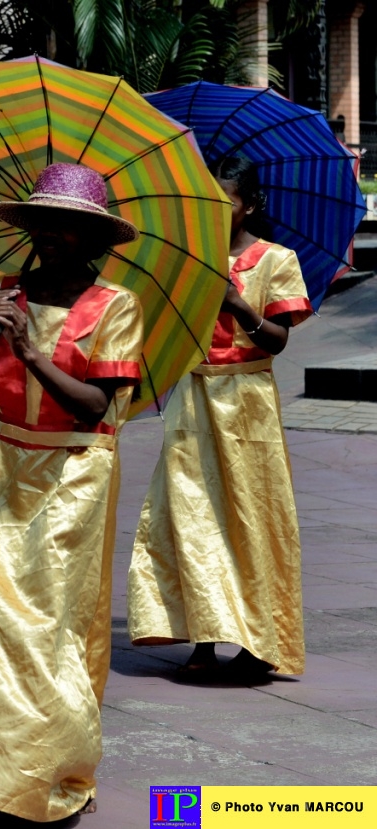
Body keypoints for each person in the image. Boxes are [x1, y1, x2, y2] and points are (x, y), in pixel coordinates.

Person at [0, 163, 143, 827]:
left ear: (92, 238)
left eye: (70, 226)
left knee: (48, 630)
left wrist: (28, 354)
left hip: (74, 474)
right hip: (4, 469)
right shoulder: (0, 294)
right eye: (45, 223)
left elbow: (94, 404)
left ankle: (48, 778)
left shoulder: (116, 307)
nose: (53, 235)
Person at [127, 157, 311, 680]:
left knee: (252, 517)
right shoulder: (189, 259)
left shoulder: (276, 260)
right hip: (193, 396)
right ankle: (203, 640)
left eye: (225, 200)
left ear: (248, 205)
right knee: (190, 511)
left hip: (247, 400)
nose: (215, 208)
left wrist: (235, 302)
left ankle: (258, 641)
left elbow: (275, 341)